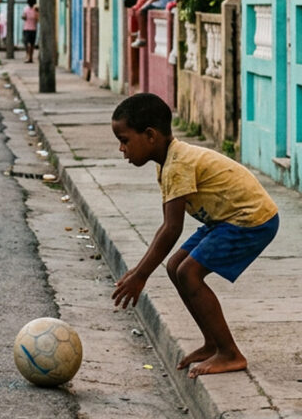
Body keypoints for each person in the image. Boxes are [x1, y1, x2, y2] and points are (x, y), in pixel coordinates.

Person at [110, 93, 279, 379]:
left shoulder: (177, 165)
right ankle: (212, 343)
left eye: (125, 140)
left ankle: (230, 353)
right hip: (224, 218)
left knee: (189, 272)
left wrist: (141, 275)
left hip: (250, 220)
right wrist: (139, 270)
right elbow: (167, 226)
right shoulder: (166, 163)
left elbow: (171, 229)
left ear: (150, 135)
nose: (121, 149)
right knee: (176, 267)